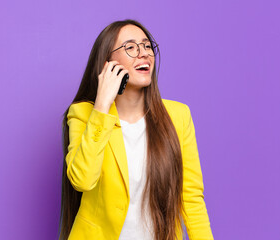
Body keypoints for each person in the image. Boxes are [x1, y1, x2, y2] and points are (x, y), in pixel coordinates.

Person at [58, 19, 214, 240]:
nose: (144, 54)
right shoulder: (83, 114)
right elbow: (83, 180)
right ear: (107, 63)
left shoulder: (178, 116)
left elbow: (191, 198)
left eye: (147, 46)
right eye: (130, 47)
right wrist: (101, 106)